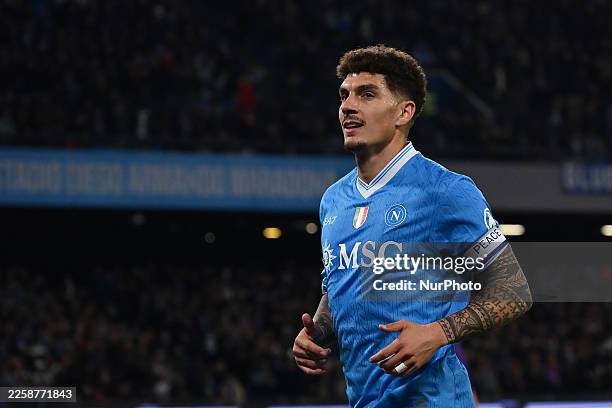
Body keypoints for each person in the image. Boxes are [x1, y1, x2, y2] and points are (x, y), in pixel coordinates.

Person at [292, 45, 532, 407]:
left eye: (367, 94)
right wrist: (319, 331)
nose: (348, 106)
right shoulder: (333, 201)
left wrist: (438, 333)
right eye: (344, 95)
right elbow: (339, 285)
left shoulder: (445, 191)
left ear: (404, 112)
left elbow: (514, 291)